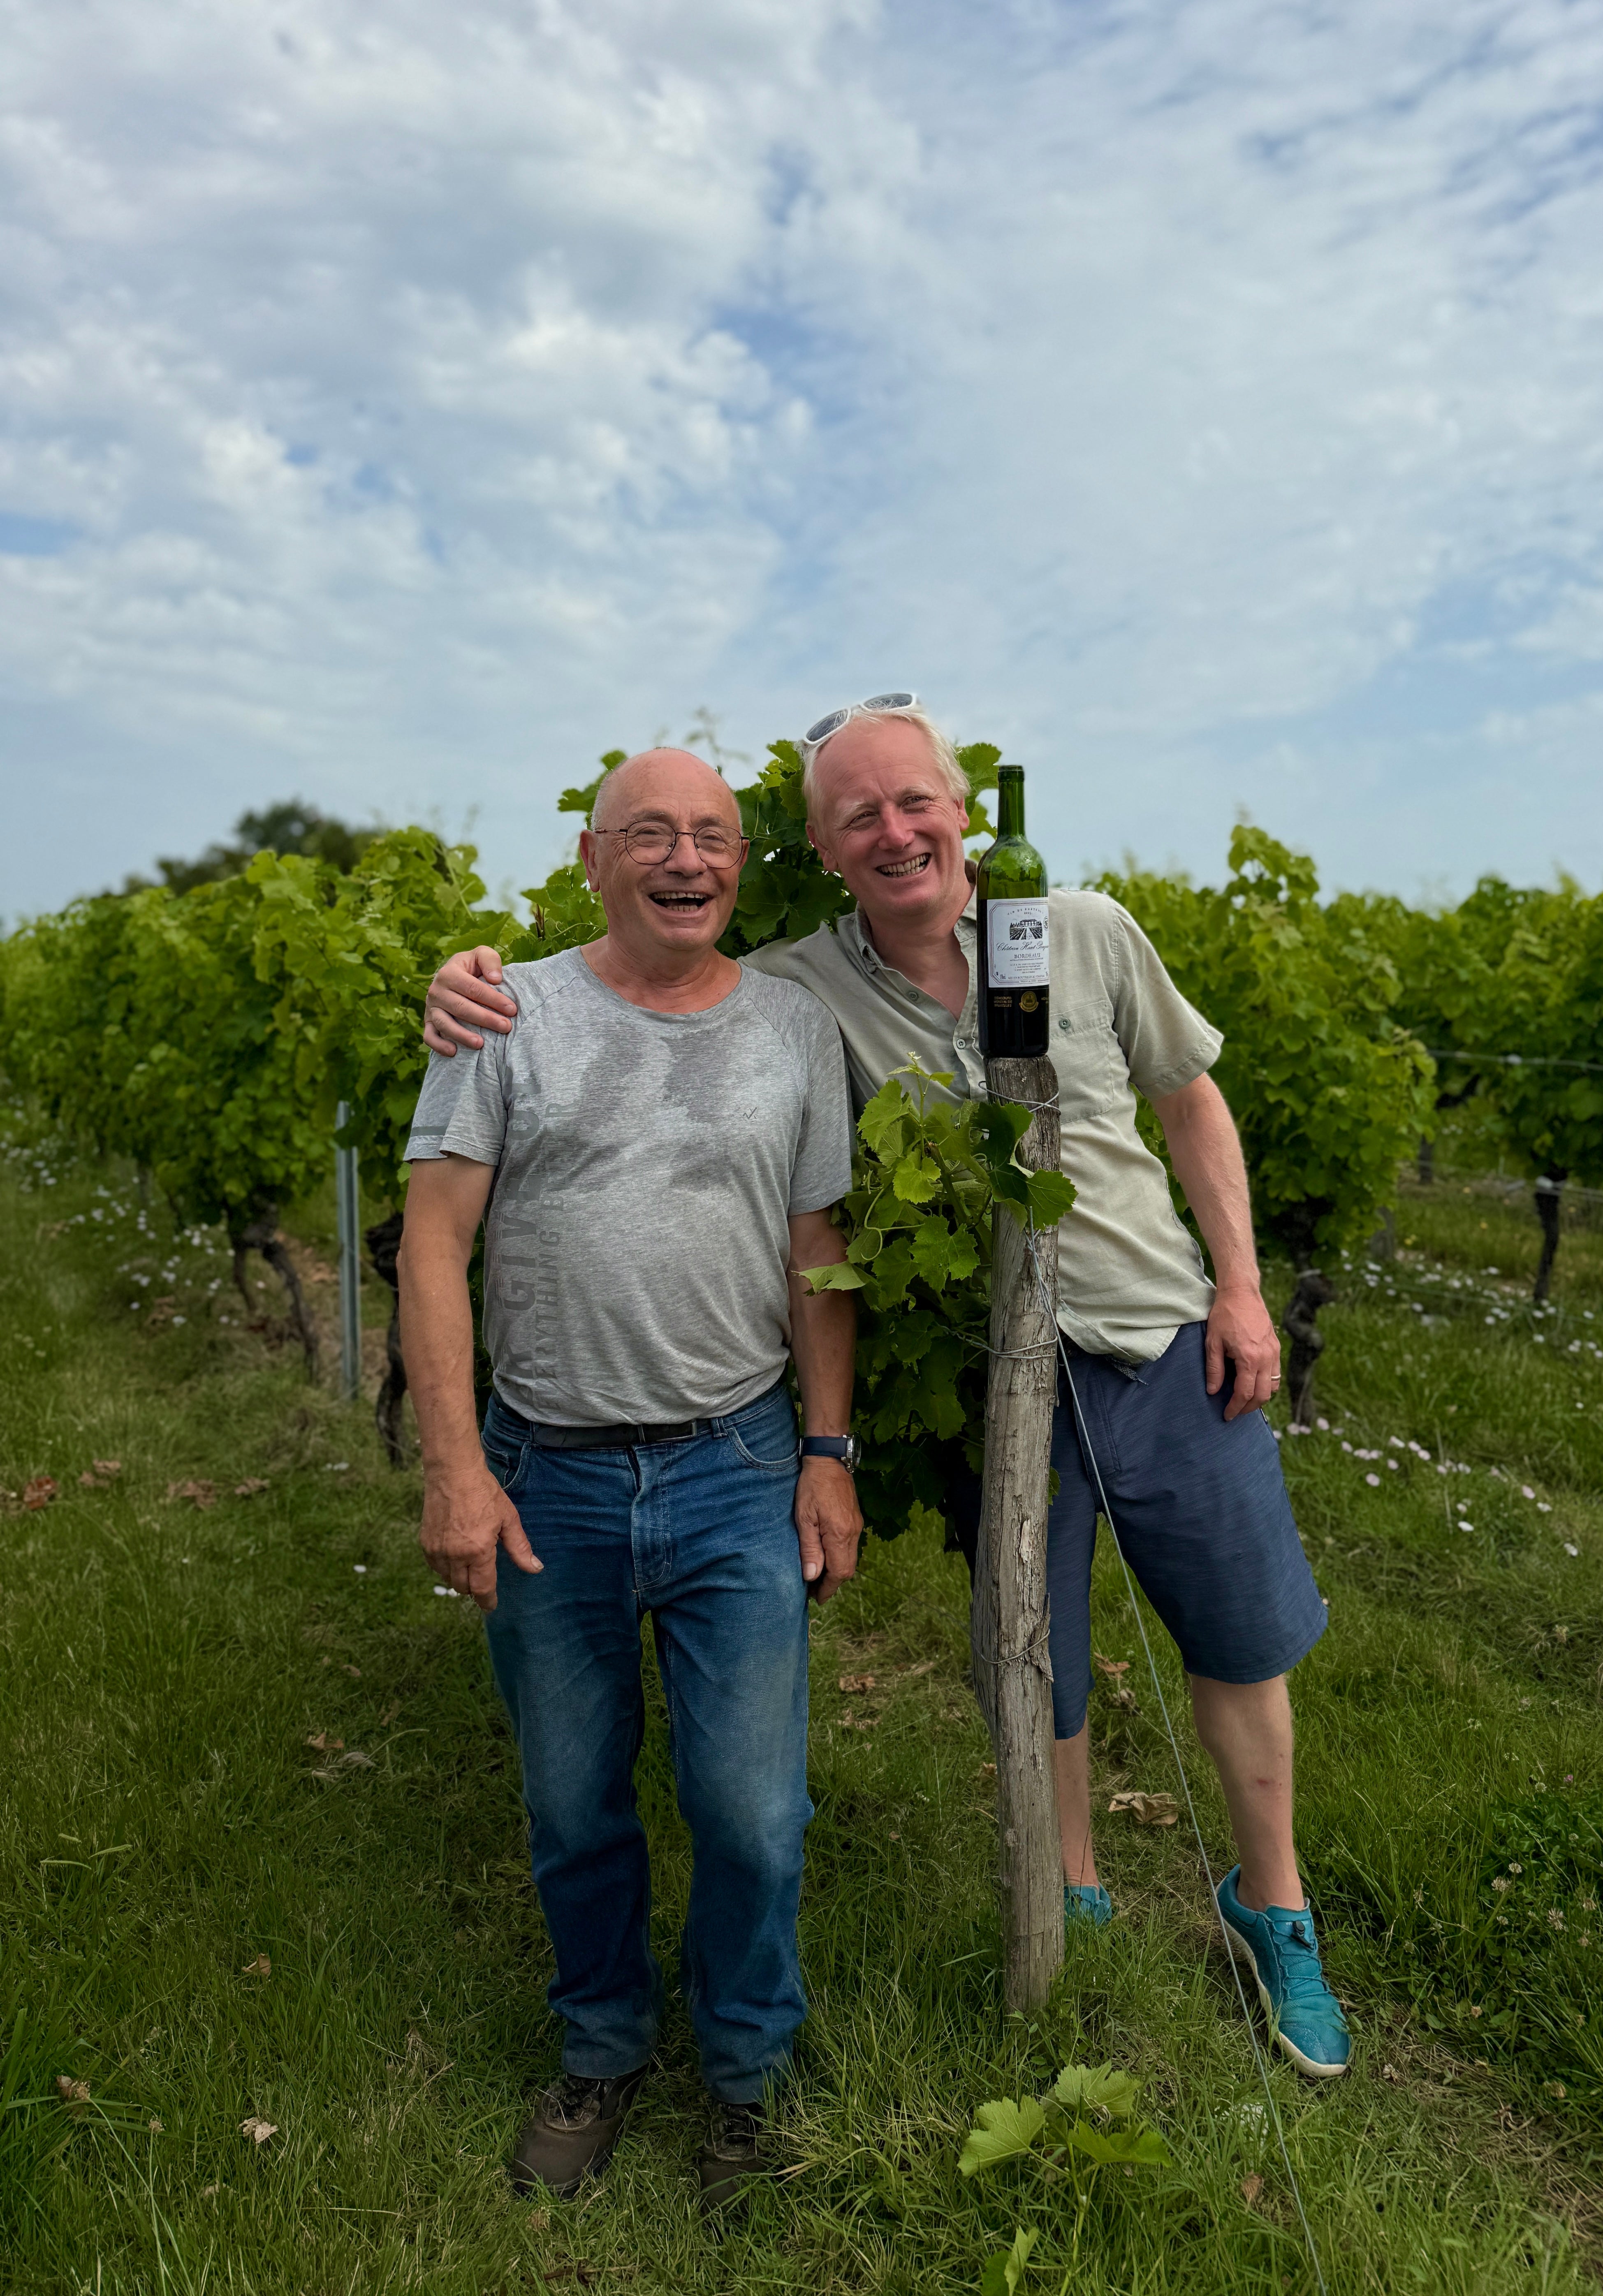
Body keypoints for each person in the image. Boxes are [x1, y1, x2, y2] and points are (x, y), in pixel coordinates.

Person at [423, 703, 1351, 2079]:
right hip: (992, 1382)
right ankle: (1069, 1893)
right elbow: (638, 1007)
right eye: (857, 814)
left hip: (1157, 1339)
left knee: (1236, 1638)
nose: (893, 831)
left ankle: (1273, 1910)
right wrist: (463, 978)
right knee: (1038, 1655)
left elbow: (1188, 1098)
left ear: (962, 808)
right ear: (819, 846)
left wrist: (1240, 1286)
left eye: (913, 801)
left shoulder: (1080, 926)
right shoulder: (799, 991)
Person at [399, 746, 864, 2207]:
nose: (685, 857)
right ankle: (600, 2045)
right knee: (573, 1803)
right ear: (593, 859)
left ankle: (744, 2072)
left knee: (750, 1811)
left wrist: (829, 1454)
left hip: (735, 1466)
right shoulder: (507, 1009)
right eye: (648, 833)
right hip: (552, 1478)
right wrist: (458, 1471)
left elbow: (817, 1260)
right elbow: (428, 1244)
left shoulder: (792, 1028)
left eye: (712, 835)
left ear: (740, 862)